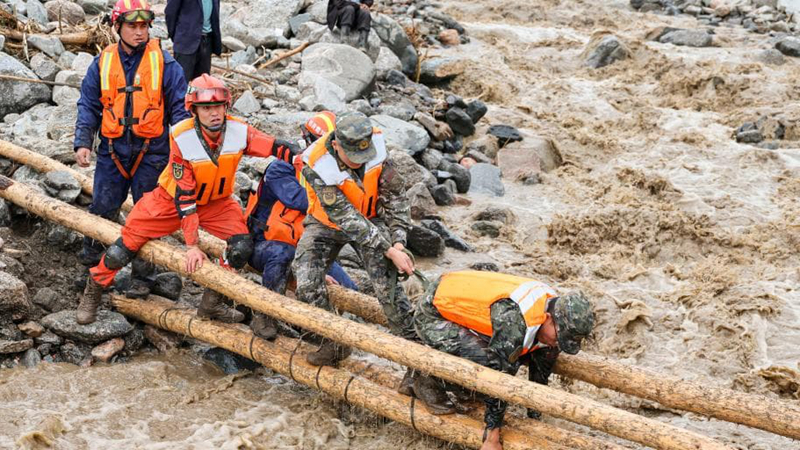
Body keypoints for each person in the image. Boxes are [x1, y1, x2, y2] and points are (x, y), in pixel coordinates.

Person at [76, 74, 297, 325]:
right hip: (170, 201)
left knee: (242, 247)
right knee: (124, 246)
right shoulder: (182, 137)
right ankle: (94, 289)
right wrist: (193, 245)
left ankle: (212, 303)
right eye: (206, 108)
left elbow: (277, 147)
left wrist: (302, 160)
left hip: (217, 202)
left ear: (226, 106)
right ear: (194, 110)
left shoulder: (239, 131)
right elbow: (185, 197)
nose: (213, 113)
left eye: (218, 107)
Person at [74, 0, 190, 298]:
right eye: (132, 26)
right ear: (117, 27)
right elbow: (88, 104)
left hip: (152, 152)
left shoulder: (165, 63)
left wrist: (183, 153)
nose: (140, 32)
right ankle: (92, 265)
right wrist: (83, 141)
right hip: (112, 151)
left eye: (143, 26)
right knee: (102, 207)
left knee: (146, 215)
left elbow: (180, 110)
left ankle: (144, 276)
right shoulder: (102, 62)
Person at [292, 112, 419, 372]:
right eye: (353, 157)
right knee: (305, 280)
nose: (360, 161)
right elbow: (345, 217)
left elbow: (395, 198)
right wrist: (387, 248)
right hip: (327, 224)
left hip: (372, 217)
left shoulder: (377, 149)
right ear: (336, 145)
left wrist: (397, 242)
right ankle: (333, 341)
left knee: (390, 292)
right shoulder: (315, 162)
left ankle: (417, 368)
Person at [413, 270, 595, 450]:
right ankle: (425, 378)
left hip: (463, 305)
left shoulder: (555, 311)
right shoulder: (516, 321)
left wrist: (535, 416)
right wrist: (492, 437)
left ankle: (457, 386)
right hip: (434, 312)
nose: (558, 344)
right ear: (548, 319)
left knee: (530, 353)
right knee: (489, 363)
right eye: (559, 337)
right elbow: (498, 377)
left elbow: (542, 366)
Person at [244, 112, 358, 340]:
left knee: (349, 291)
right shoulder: (281, 170)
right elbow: (301, 202)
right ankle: (266, 315)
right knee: (283, 254)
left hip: (303, 249)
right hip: (264, 246)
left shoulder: (331, 175)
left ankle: (318, 330)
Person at [165, 0, 221, 82]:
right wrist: (178, 36)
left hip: (206, 41)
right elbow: (170, 12)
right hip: (185, 42)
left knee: (203, 85)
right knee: (180, 83)